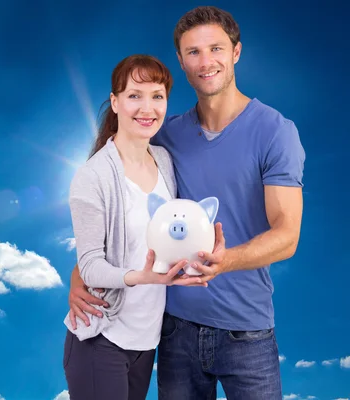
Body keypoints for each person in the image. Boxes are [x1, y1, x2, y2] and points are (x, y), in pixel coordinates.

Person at [66, 6, 305, 400]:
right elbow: (122, 208)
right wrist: (82, 273)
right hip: (174, 331)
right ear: (181, 60)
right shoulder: (166, 137)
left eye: (216, 49)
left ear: (236, 52)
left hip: (247, 331)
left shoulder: (276, 132)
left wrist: (224, 260)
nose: (206, 62)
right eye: (193, 52)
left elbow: (287, 235)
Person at [62, 54, 208, 400]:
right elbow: (92, 265)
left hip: (146, 340)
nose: (147, 107)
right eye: (134, 95)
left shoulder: (164, 161)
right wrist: (141, 277)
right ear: (115, 103)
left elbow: (169, 235)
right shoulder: (92, 177)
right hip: (102, 338)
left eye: (157, 96)